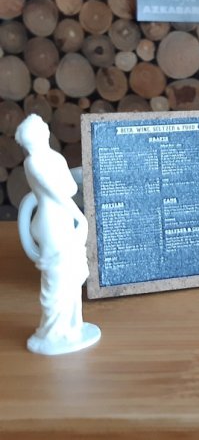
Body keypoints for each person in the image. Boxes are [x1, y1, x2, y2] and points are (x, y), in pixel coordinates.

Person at [15, 114, 100, 354]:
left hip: (60, 219)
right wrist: (79, 217)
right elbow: (60, 194)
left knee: (70, 275)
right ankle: (53, 332)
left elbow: (69, 189)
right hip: (52, 225)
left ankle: (72, 326)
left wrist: (77, 217)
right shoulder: (34, 162)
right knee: (57, 279)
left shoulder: (51, 158)